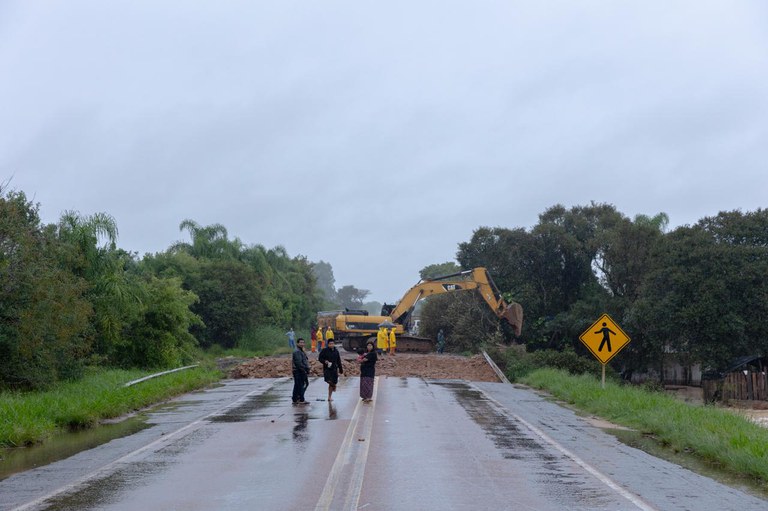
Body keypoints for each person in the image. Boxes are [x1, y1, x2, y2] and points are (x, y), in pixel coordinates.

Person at [291, 338, 310, 405]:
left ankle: (295, 399)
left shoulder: (301, 351)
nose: (302, 344)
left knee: (298, 385)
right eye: (300, 342)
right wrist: (304, 370)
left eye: (303, 342)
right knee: (303, 384)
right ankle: (301, 399)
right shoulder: (297, 351)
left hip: (300, 370)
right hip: (298, 371)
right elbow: (298, 363)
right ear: (297, 343)